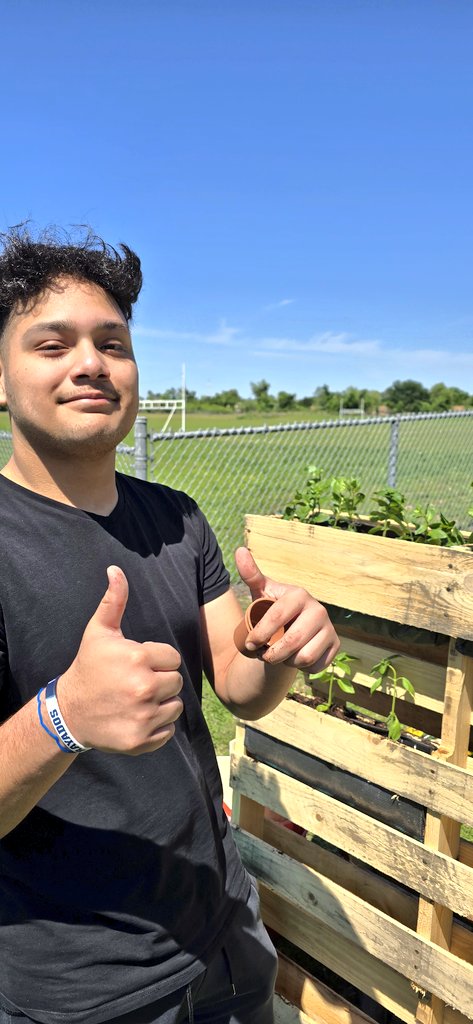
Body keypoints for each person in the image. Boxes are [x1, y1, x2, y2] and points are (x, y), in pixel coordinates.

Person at [0, 226, 339, 1024]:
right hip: (85, 986)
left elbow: (242, 688)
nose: (90, 363)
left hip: (224, 932)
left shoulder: (176, 518)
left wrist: (279, 643)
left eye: (111, 343)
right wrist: (65, 717)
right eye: (52, 344)